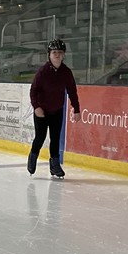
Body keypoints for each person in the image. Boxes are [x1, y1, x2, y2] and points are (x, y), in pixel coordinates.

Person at [27, 39, 81, 179]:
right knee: (40, 137)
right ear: (49, 54)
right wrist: (37, 107)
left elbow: (72, 91)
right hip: (42, 112)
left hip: (57, 111)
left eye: (60, 52)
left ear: (63, 55)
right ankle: (33, 157)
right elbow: (33, 91)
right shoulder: (42, 72)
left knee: (55, 139)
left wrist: (76, 109)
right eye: (54, 52)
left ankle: (55, 165)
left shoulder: (66, 72)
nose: (57, 55)